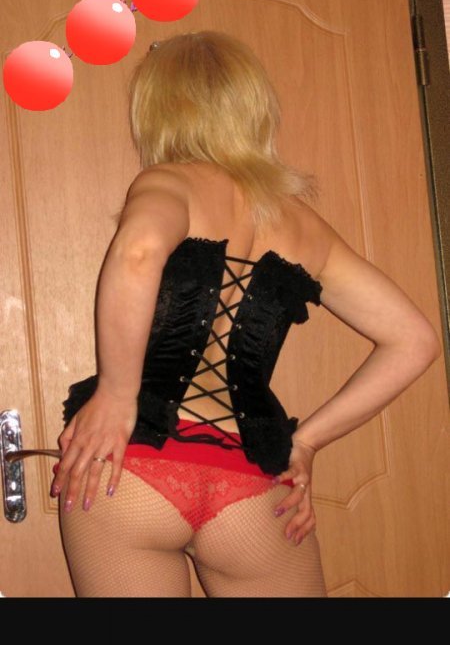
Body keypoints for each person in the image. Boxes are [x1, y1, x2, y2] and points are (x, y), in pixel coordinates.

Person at [52, 31, 441, 598]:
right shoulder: (302, 225)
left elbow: (139, 253)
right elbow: (415, 341)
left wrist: (115, 393)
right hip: (252, 483)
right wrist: (307, 442)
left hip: (130, 469)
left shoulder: (166, 183)